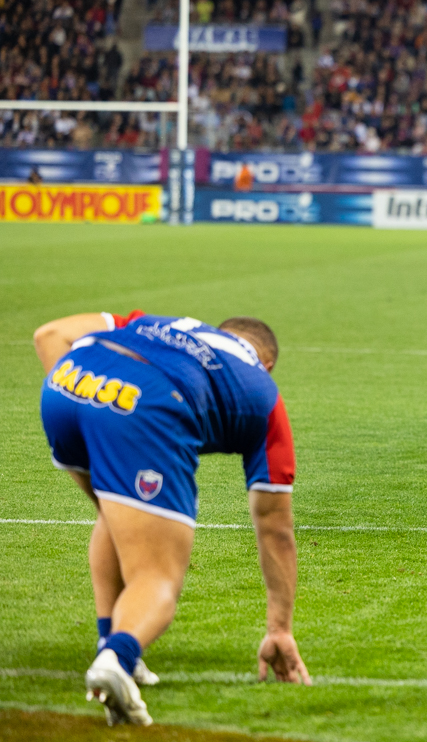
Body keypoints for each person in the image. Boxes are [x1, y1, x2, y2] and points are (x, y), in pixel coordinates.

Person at [34, 310, 310, 727]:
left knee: (116, 513)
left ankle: (111, 640)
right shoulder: (265, 393)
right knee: (158, 577)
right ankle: (116, 659)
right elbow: (275, 526)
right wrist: (280, 629)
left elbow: (49, 334)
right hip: (149, 401)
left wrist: (92, 404)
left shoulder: (163, 323)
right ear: (267, 363)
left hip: (67, 383)